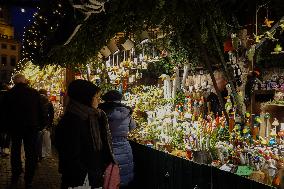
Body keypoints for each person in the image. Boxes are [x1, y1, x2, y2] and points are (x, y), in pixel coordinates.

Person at [55, 79, 115, 189]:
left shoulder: (95, 116)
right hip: (79, 180)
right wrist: (93, 176)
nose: (98, 100)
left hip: (93, 176)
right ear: (85, 98)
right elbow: (70, 158)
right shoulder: (72, 122)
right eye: (96, 97)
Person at [3, 73, 47, 189]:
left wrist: (6, 128)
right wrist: (41, 125)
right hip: (31, 127)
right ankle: (29, 178)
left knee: (15, 151)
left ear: (15, 82)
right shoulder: (34, 93)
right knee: (31, 153)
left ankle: (16, 173)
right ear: (25, 81)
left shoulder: (9, 94)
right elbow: (41, 110)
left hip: (15, 127)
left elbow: (4, 113)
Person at [99, 90, 136, 188]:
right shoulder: (126, 112)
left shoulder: (101, 113)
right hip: (124, 146)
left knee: (108, 177)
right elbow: (132, 127)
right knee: (123, 176)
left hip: (107, 147)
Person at [37, 89, 55, 160]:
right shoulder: (48, 103)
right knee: (46, 139)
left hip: (39, 124)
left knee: (39, 140)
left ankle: (40, 154)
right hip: (45, 123)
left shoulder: (37, 101)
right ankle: (45, 153)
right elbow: (51, 115)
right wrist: (49, 124)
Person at [0, 82, 11, 157]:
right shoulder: (10, 95)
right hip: (8, 118)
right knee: (8, 133)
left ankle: (1, 147)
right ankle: (6, 148)